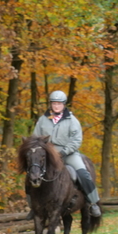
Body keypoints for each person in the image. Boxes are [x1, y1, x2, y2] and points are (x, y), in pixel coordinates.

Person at [29, 89, 101, 217]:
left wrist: (64, 152)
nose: (56, 106)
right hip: (47, 154)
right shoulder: (42, 120)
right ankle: (33, 205)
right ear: (50, 104)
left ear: (64, 105)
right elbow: (35, 138)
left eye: (59, 103)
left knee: (83, 173)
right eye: (54, 103)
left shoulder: (72, 120)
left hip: (68, 153)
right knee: (32, 171)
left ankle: (93, 203)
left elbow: (76, 140)